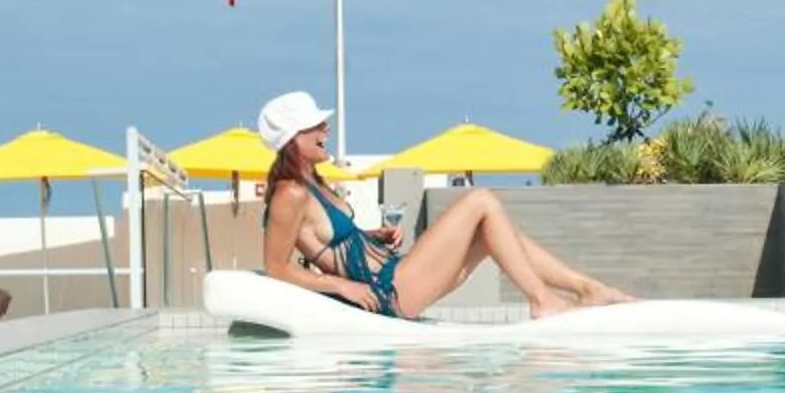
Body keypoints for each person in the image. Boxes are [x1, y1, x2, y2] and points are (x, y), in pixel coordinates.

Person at [253, 90, 631, 318]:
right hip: (388, 290)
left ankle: (586, 289)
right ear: (292, 139)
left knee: (489, 234)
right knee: (481, 200)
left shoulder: (312, 184)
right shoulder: (291, 193)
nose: (325, 130)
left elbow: (325, 241)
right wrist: (343, 287)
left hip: (394, 274)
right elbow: (276, 268)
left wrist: (371, 235)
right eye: (316, 126)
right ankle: (542, 300)